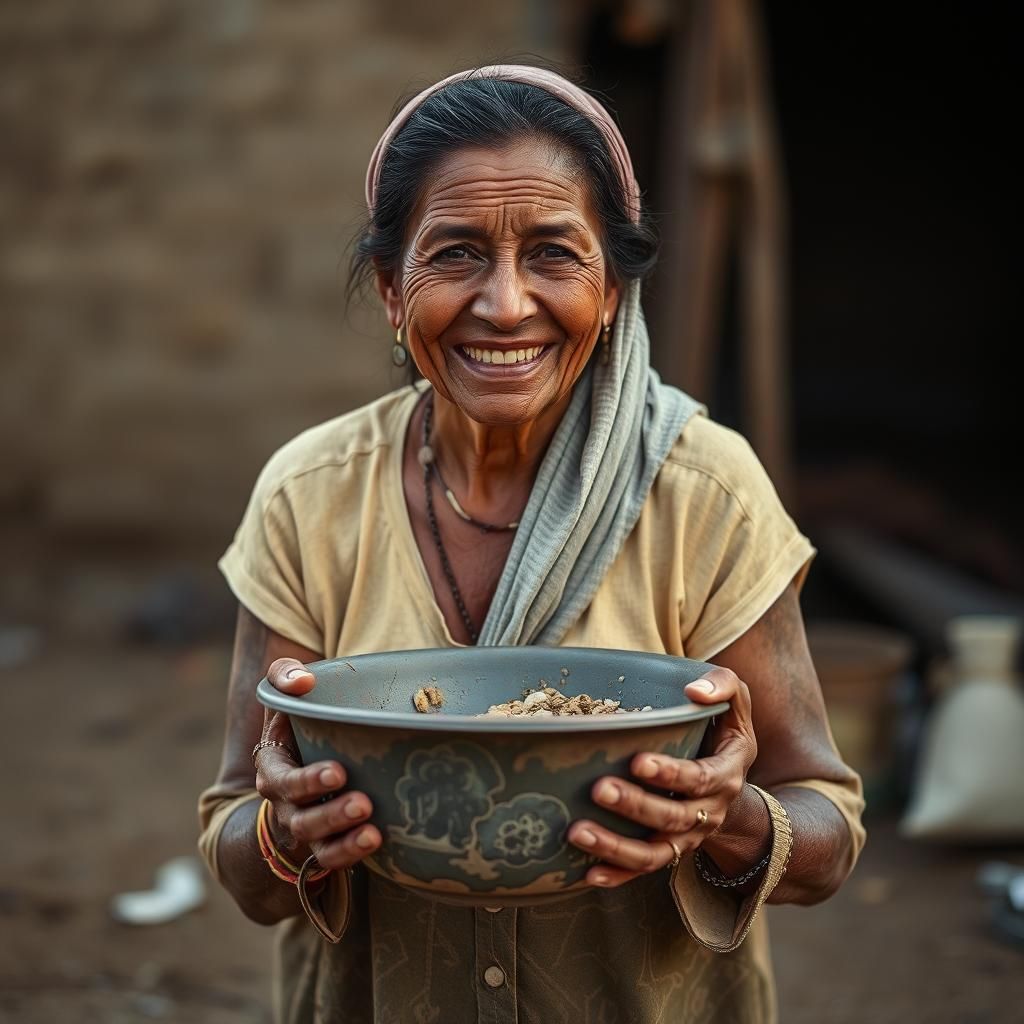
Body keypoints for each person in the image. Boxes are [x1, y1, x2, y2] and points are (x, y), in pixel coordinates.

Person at [198, 65, 865, 1023]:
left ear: (612, 293)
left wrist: (728, 815)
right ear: (392, 289)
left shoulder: (704, 494)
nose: (506, 305)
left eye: (554, 254)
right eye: (457, 254)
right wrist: (282, 830)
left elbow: (827, 829)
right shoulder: (312, 499)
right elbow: (237, 843)